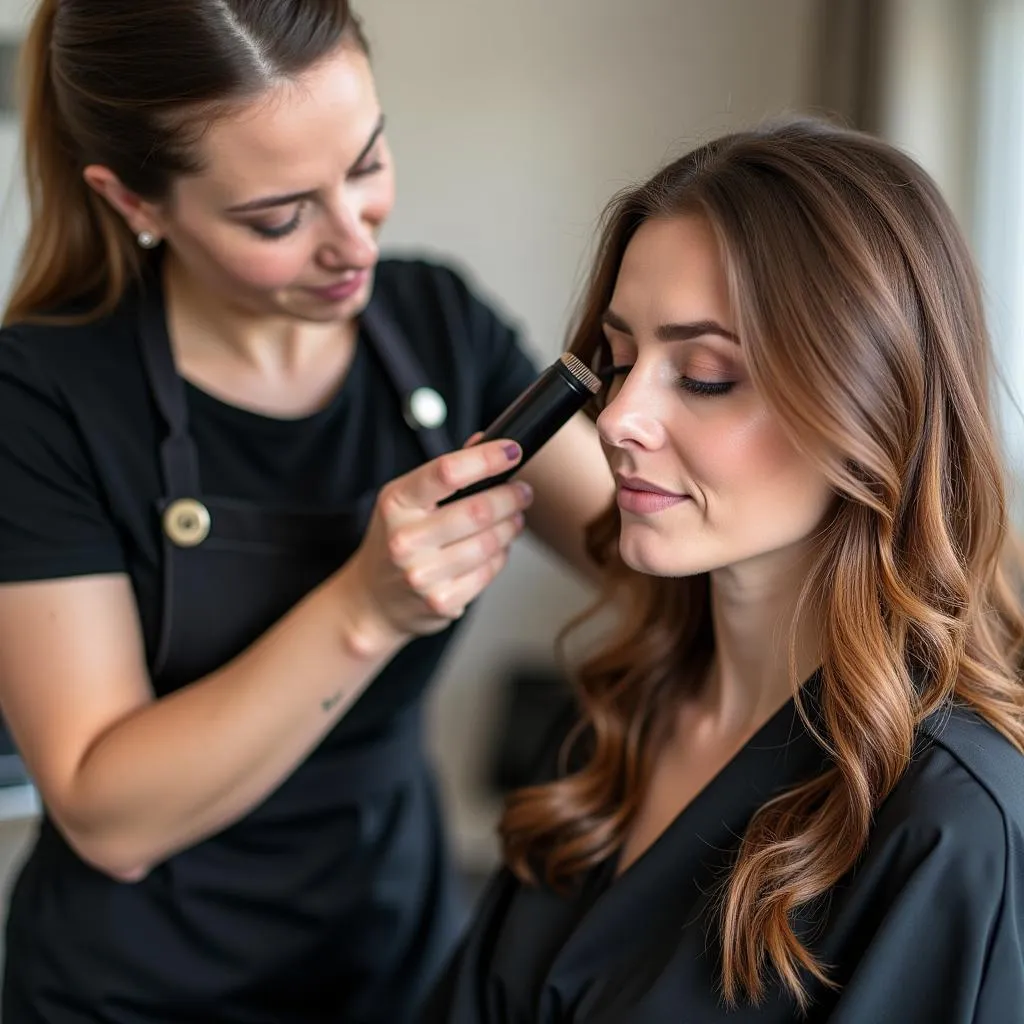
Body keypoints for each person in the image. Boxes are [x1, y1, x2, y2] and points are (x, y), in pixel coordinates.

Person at [0, 2, 612, 1022]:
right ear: (135, 200)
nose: (350, 243)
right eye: (278, 217)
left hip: (401, 958)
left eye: (367, 165)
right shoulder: (42, 399)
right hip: (134, 990)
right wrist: (366, 608)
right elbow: (107, 814)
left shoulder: (437, 329)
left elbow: (650, 557)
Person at [424, 118, 1024, 1023]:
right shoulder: (619, 716)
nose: (620, 418)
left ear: (871, 408)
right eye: (619, 361)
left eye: (705, 376)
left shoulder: (952, 824)